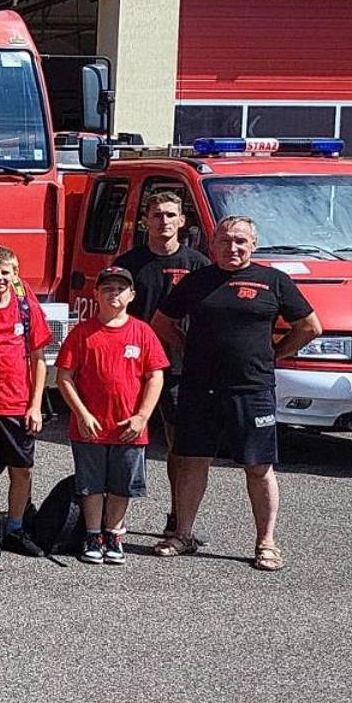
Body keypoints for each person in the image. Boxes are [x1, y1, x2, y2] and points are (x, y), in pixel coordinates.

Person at [152, 216, 319, 571]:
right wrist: (187, 348)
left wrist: (275, 354)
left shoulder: (274, 281)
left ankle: (266, 542)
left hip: (252, 389)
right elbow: (161, 322)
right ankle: (183, 534)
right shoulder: (197, 281)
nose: (233, 247)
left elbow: (309, 326)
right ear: (212, 245)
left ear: (254, 245)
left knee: (258, 467)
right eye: (225, 241)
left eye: (241, 241)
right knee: (192, 462)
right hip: (200, 388)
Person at [111, 190, 210, 545]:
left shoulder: (198, 264)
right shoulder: (128, 264)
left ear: (182, 221)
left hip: (180, 367)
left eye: (170, 215)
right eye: (156, 215)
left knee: (178, 447)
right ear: (144, 222)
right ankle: (111, 522)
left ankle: (178, 517)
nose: (163, 221)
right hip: (132, 367)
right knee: (121, 441)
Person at [56, 266, 169, 565]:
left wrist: (142, 417)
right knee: (90, 484)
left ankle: (113, 533)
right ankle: (93, 533)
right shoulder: (82, 332)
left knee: (122, 485)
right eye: (107, 288)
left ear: (132, 295)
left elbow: (155, 377)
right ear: (96, 294)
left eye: (120, 288)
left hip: (129, 427)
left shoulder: (143, 332)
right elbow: (64, 376)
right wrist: (81, 413)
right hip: (90, 427)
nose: (113, 293)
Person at [0, 246, 52, 559]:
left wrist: (35, 404)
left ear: (16, 275)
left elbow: (39, 360)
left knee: (22, 470)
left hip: (18, 405)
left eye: (6, 272)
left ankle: (15, 527)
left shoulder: (27, 310)